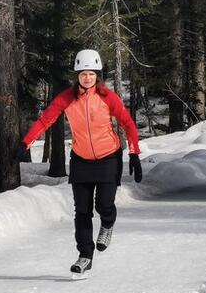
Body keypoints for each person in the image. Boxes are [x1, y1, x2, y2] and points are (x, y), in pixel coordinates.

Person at [14, 49, 143, 275]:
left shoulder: (107, 97)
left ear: (97, 75)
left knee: (103, 205)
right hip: (81, 160)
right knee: (82, 211)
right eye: (83, 73)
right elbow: (45, 121)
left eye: (91, 73)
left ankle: (108, 223)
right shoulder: (67, 98)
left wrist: (134, 153)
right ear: (77, 75)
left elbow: (127, 122)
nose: (87, 78)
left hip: (108, 158)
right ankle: (85, 255)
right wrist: (25, 143)